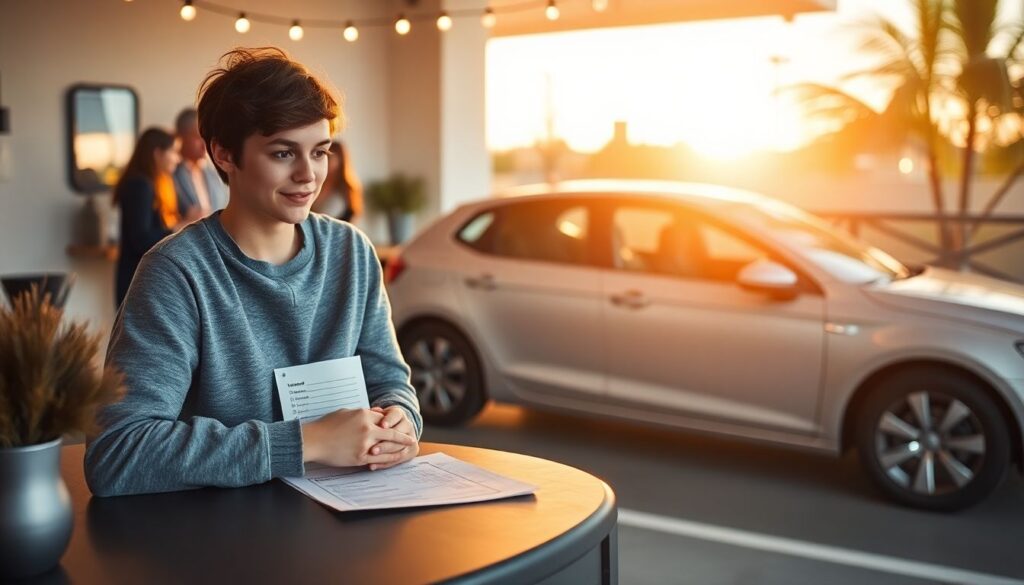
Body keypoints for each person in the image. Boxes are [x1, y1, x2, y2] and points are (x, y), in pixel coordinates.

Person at [85, 47, 421, 497]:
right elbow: (117, 453)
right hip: (219, 542)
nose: (309, 175)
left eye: (319, 152)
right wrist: (307, 441)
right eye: (284, 154)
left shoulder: (352, 252)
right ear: (223, 154)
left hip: (346, 526)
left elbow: (390, 384)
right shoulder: (176, 273)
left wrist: (400, 418)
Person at [112, 127, 199, 308]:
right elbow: (141, 239)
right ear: (158, 153)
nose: (178, 158)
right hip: (137, 279)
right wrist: (181, 226)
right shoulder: (140, 185)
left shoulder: (155, 183)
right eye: (173, 152)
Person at [172, 107, 228, 217]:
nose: (205, 145)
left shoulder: (215, 172)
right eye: (197, 138)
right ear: (180, 138)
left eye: (206, 138)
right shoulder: (171, 174)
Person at [311, 141, 363, 222]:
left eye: (329, 157)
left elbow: (352, 216)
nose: (325, 161)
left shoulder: (346, 188)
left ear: (340, 160)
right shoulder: (315, 182)